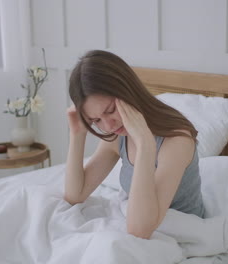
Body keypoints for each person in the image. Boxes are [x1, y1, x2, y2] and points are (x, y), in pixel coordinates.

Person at [64, 50, 205, 239]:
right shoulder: (117, 135)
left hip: (181, 235)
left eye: (111, 110)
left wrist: (145, 143)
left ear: (127, 91)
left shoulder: (176, 140)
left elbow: (140, 230)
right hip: (141, 224)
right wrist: (77, 134)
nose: (108, 126)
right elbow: (75, 195)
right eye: (96, 119)